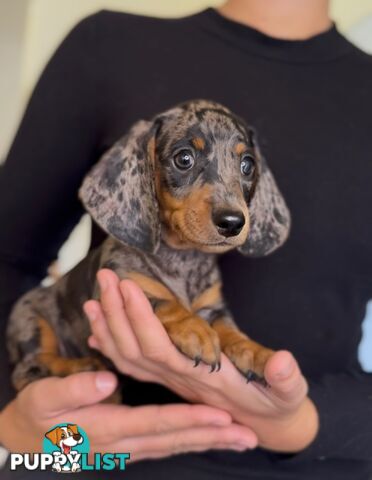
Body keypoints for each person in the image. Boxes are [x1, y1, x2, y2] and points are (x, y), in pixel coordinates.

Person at [0, 0, 371, 478]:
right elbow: (7, 260)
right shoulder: (109, 46)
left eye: (243, 168)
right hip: (103, 464)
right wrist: (19, 437)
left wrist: (302, 423)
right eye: (182, 161)